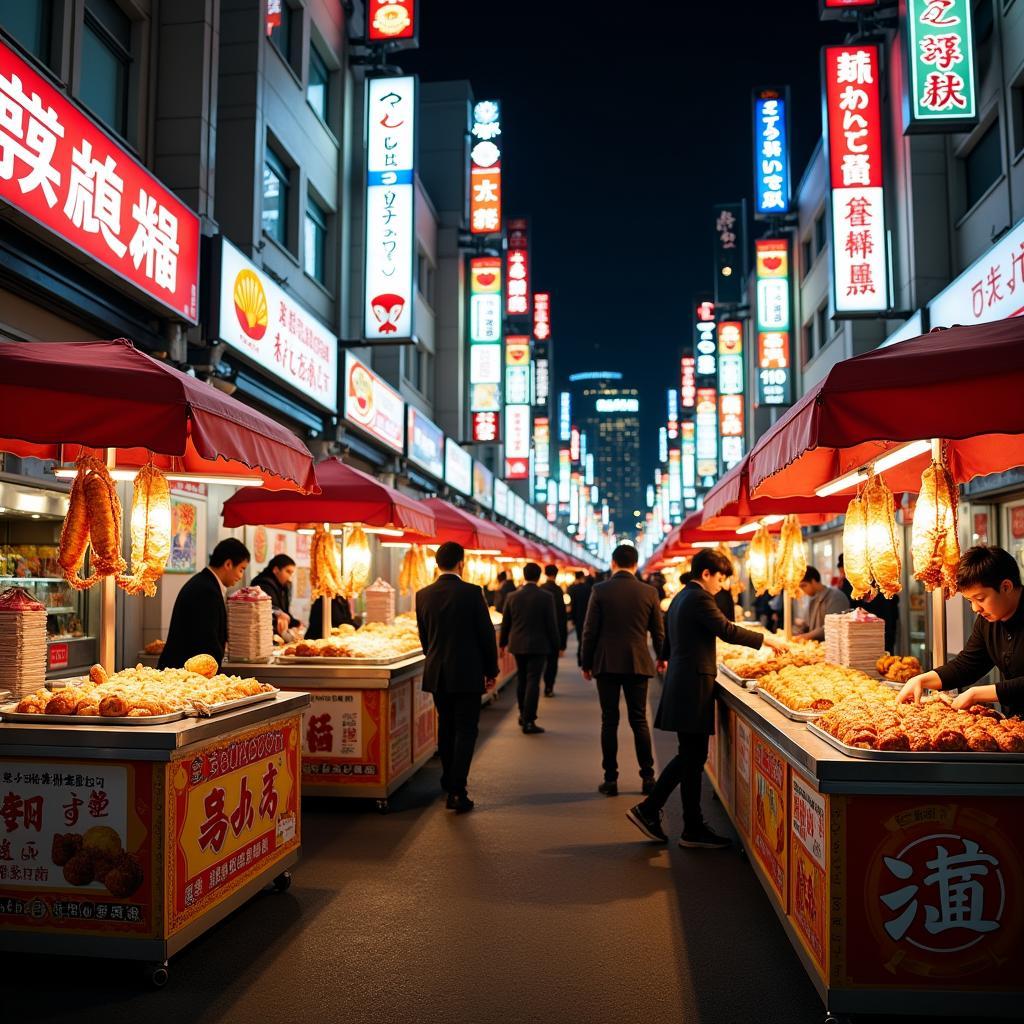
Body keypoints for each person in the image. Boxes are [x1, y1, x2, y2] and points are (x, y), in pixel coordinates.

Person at [627, 548, 789, 849]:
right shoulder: (700, 597)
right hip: (692, 685)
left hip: (683, 681)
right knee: (690, 755)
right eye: (720, 577)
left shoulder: (681, 596)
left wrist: (664, 657)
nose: (721, 584)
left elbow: (670, 638)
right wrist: (767, 640)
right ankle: (649, 809)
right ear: (706, 574)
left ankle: (692, 827)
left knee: (692, 756)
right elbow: (725, 630)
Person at [415, 541, 499, 813]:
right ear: (461, 563)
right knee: (466, 729)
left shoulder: (423, 595)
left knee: (446, 725)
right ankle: (457, 790)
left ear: (437, 564)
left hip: (438, 672)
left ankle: (447, 779)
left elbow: (424, 638)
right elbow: (486, 636)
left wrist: (435, 658)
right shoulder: (473, 593)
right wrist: (491, 670)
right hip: (467, 671)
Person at [899, 545, 1024, 717]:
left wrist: (977, 693)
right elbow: (967, 665)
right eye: (969, 601)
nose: (975, 608)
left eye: (980, 598)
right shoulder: (988, 621)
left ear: (1006, 587)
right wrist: (922, 679)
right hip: (1015, 726)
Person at [580, 543, 665, 796]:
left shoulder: (600, 590)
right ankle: (648, 778)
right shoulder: (649, 592)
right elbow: (658, 631)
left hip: (606, 663)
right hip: (638, 662)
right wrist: (661, 657)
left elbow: (589, 630)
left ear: (613, 563)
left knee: (609, 720)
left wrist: (586, 662)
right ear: (636, 564)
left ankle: (611, 779)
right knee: (639, 720)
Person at [159, 538, 250, 670]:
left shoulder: (205, 583)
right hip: (184, 676)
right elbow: (207, 643)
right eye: (241, 569)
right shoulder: (206, 591)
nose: (241, 576)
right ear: (228, 564)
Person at [500, 561, 560, 734]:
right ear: (538, 576)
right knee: (533, 680)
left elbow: (506, 623)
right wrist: (556, 645)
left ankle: (522, 713)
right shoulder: (546, 597)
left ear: (524, 576)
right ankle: (529, 720)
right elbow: (551, 624)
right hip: (540, 645)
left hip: (517, 644)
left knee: (522, 679)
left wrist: (502, 643)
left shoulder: (512, 596)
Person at [837, 554, 900, 653]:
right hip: (881, 620)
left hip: (870, 625)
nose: (841, 574)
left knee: (878, 649)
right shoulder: (874, 575)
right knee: (885, 647)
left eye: (842, 571)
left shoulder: (854, 580)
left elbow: (850, 604)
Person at [793, 566, 850, 641]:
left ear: (813, 581)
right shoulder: (813, 600)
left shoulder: (836, 597)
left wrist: (806, 636)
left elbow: (833, 626)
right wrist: (800, 631)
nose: (802, 590)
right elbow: (807, 625)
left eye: (803, 586)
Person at [251, 554, 301, 636]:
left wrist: (295, 623)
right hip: (263, 636)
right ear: (276, 570)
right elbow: (271, 609)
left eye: (292, 573)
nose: (290, 578)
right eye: (288, 572)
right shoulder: (262, 585)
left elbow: (284, 611)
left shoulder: (283, 586)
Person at [541, 564, 568, 696]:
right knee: (552, 662)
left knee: (540, 662)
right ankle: (549, 687)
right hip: (554, 632)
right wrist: (562, 643)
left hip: (540, 633)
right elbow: (562, 617)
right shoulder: (558, 591)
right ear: (556, 574)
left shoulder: (541, 589)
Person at [567, 571, 592, 665]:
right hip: (586, 616)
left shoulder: (571, 588)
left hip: (576, 616)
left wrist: (571, 617)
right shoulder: (588, 588)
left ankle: (580, 654)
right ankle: (581, 655)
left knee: (579, 636)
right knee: (584, 636)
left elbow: (570, 604)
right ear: (583, 577)